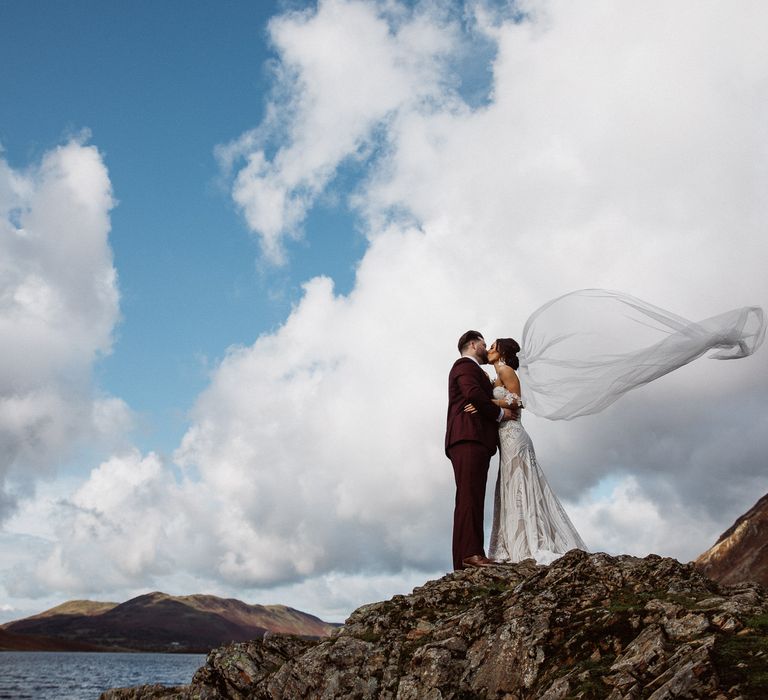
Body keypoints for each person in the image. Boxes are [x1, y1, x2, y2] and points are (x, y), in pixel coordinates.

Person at [480, 338, 586, 564]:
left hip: (514, 435)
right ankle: (513, 541)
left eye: (492, 346)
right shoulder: (496, 375)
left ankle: (529, 541)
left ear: (502, 352)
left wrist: (488, 401)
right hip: (504, 438)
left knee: (520, 483)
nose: (488, 350)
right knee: (510, 483)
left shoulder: (507, 370)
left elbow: (517, 400)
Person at [445, 331, 517, 570]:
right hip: (468, 436)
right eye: (484, 345)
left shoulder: (478, 371)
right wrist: (500, 413)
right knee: (470, 496)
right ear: (473, 344)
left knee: (469, 496)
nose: (486, 349)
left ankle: (465, 559)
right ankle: (471, 553)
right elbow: (473, 393)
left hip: (473, 439)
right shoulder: (465, 366)